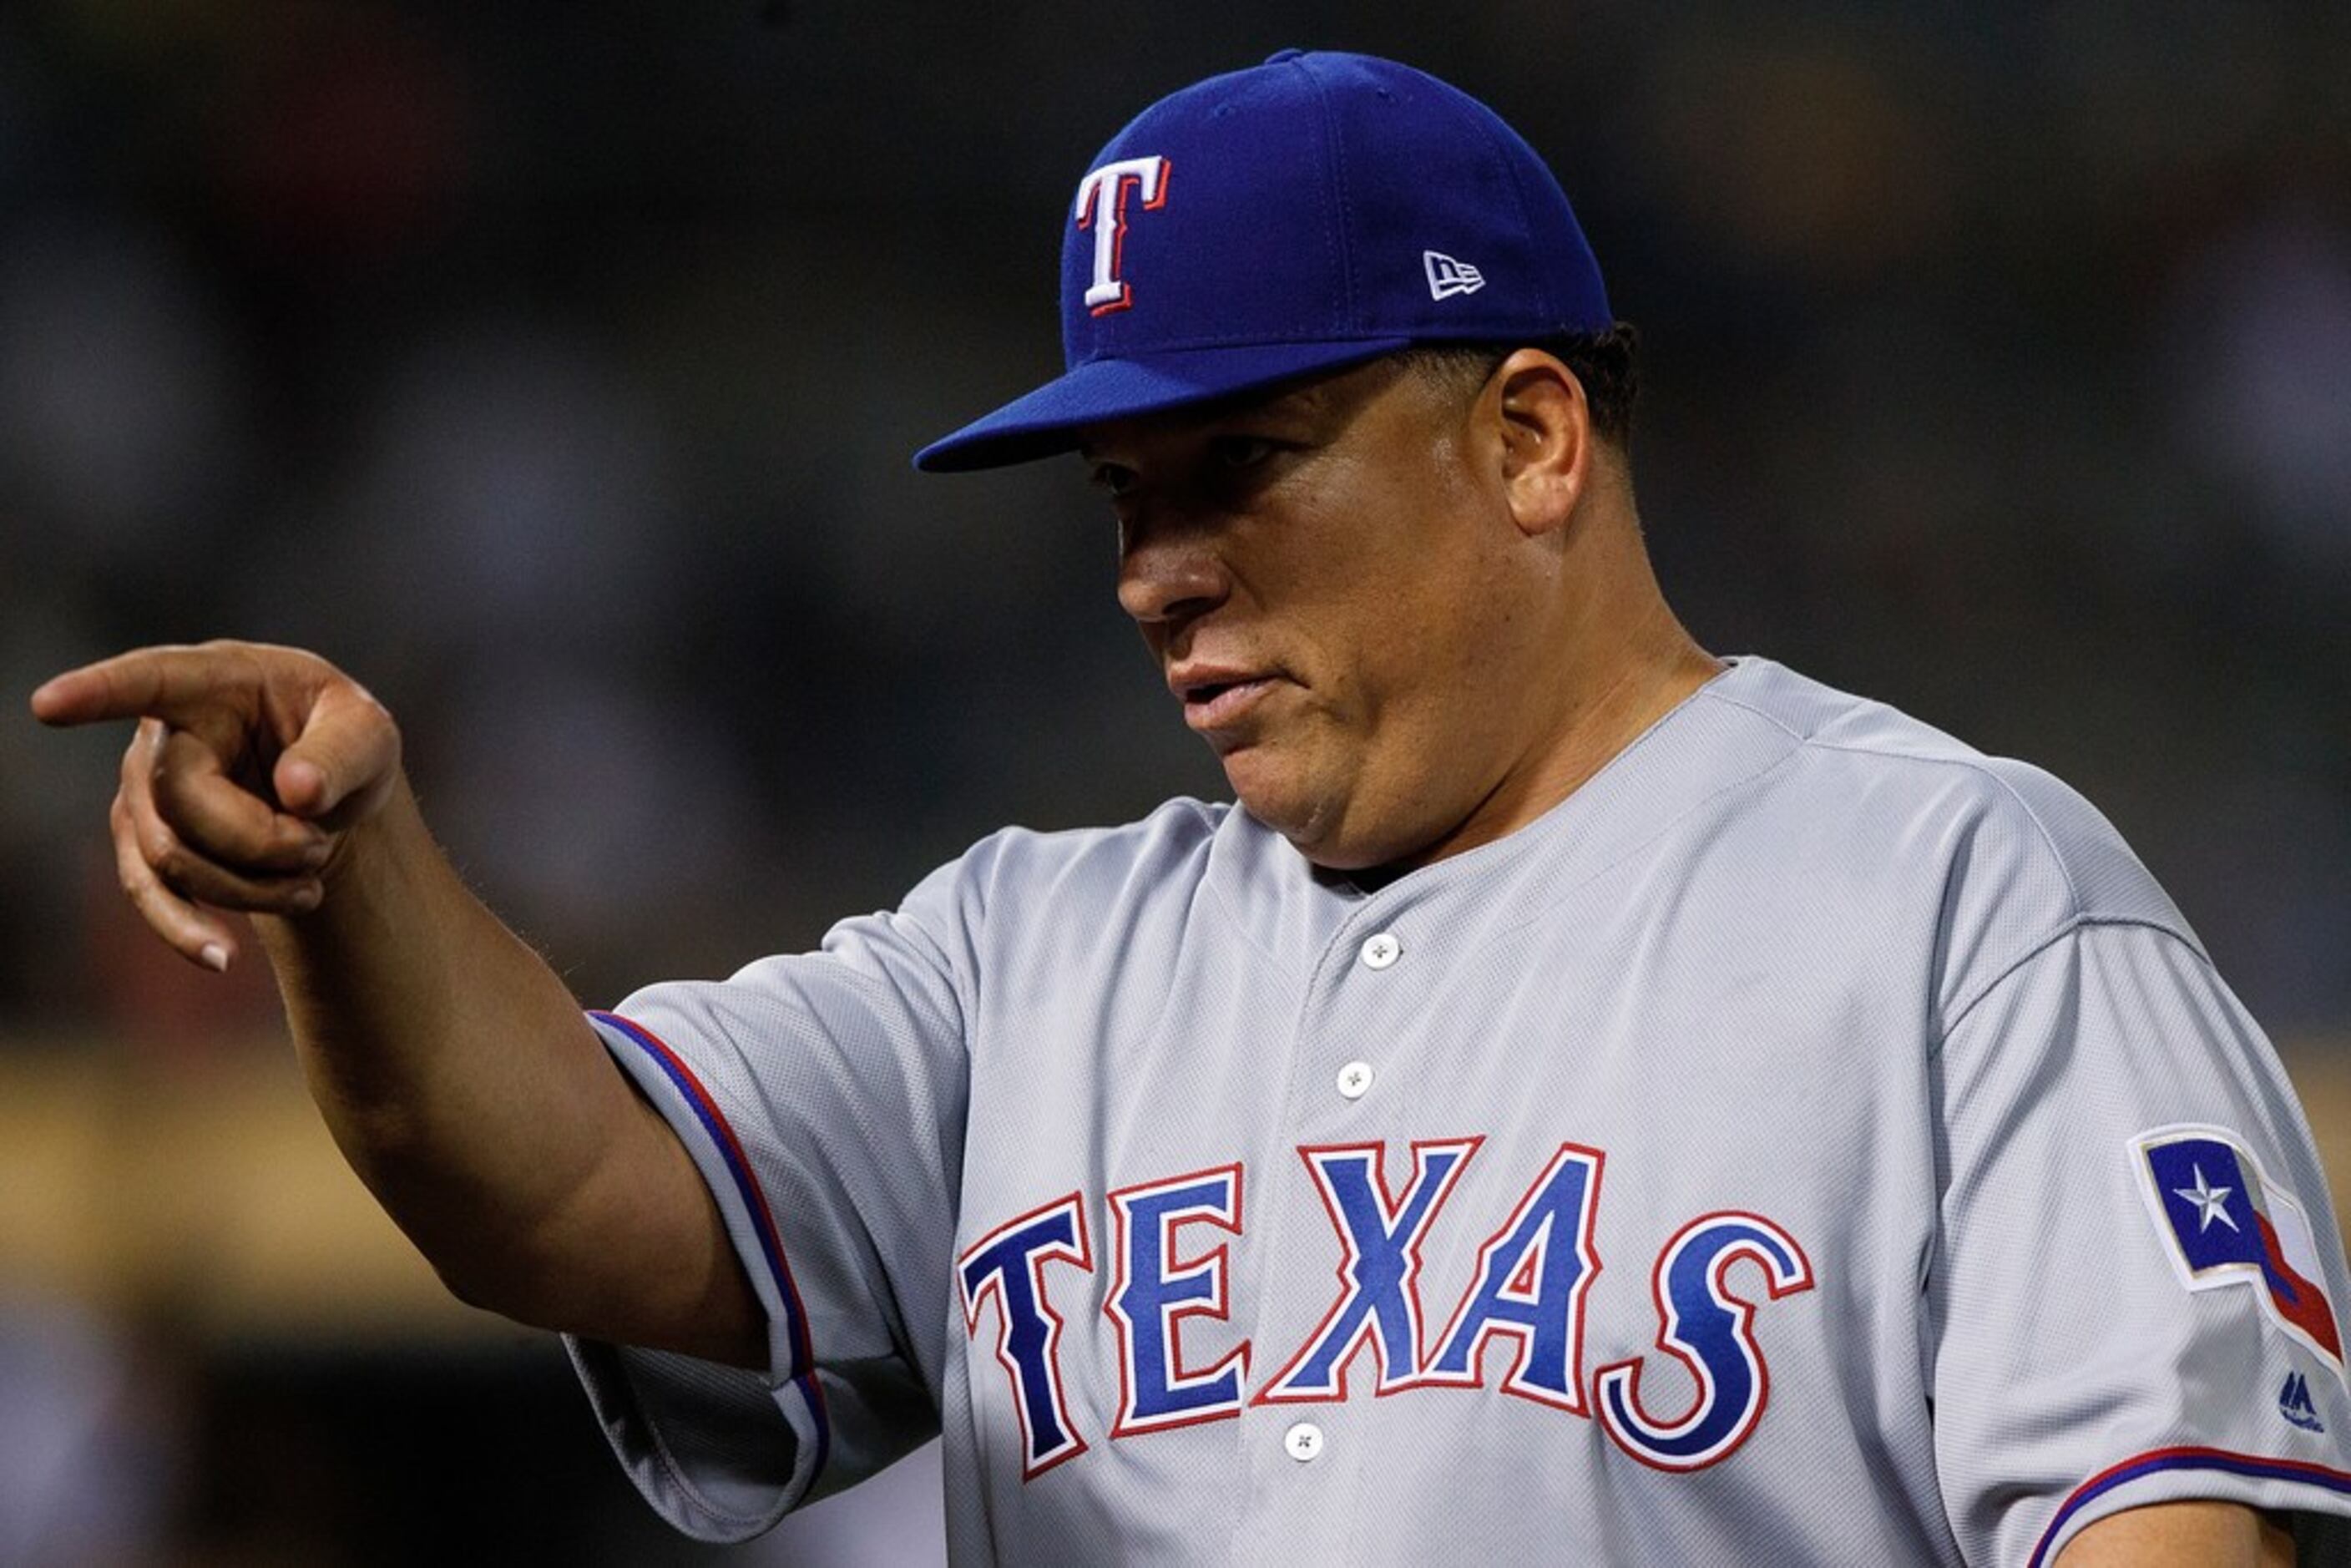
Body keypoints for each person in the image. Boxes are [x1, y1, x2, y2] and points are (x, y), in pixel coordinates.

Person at [31, 49, 2351, 1566]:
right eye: (1124, 492)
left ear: (1534, 438)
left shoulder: (1957, 901)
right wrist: (354, 879)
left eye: (1239, 465)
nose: (1153, 567)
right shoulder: (1030, 952)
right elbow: (551, 1187)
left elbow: (2169, 1539)